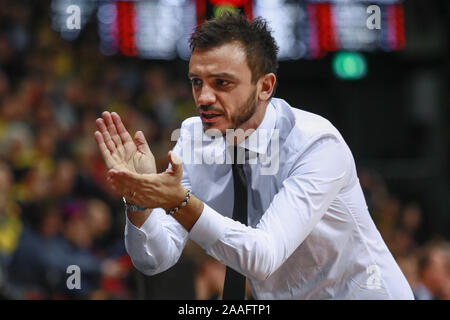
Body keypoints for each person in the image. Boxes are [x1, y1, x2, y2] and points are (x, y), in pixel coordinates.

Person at [94, 13, 414, 299]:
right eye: (197, 82)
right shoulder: (193, 137)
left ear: (265, 87)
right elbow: (154, 260)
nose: (204, 97)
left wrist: (180, 202)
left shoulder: (316, 144)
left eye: (222, 83)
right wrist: (139, 200)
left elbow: (264, 256)